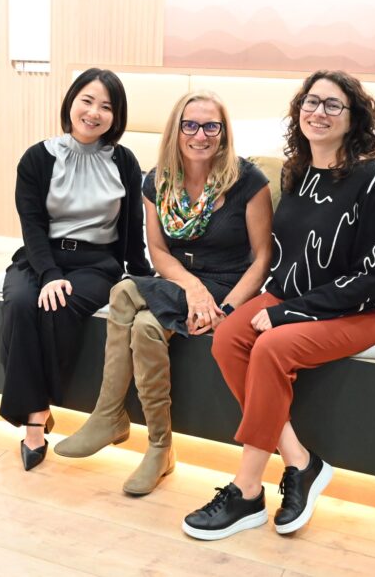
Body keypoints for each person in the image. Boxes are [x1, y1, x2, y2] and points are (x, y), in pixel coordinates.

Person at [182, 70, 375, 540]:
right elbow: (285, 253)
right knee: (227, 339)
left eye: (332, 105)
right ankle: (300, 460)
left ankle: (246, 492)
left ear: (352, 117)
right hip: (295, 294)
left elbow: (374, 276)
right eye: (310, 101)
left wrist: (284, 314)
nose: (318, 112)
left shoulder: (374, 180)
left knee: (271, 348)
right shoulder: (296, 172)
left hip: (365, 309)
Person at [55, 91, 273, 495]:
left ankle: (110, 416)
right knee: (143, 327)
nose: (200, 135)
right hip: (180, 281)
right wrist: (191, 288)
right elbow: (157, 251)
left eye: (211, 126)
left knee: (123, 294)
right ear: (176, 130)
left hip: (229, 284)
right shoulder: (156, 181)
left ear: (223, 134)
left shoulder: (248, 181)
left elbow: (262, 259)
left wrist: (224, 307)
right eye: (190, 125)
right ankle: (161, 447)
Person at [0, 68, 152, 471]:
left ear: (116, 117)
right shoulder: (37, 158)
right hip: (39, 257)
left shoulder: (123, 161)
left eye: (106, 106)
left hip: (95, 263)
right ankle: (36, 414)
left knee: (57, 307)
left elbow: (132, 225)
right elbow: (31, 226)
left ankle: (33, 421)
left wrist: (141, 275)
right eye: (87, 100)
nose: (94, 112)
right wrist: (48, 273)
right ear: (70, 103)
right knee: (17, 304)